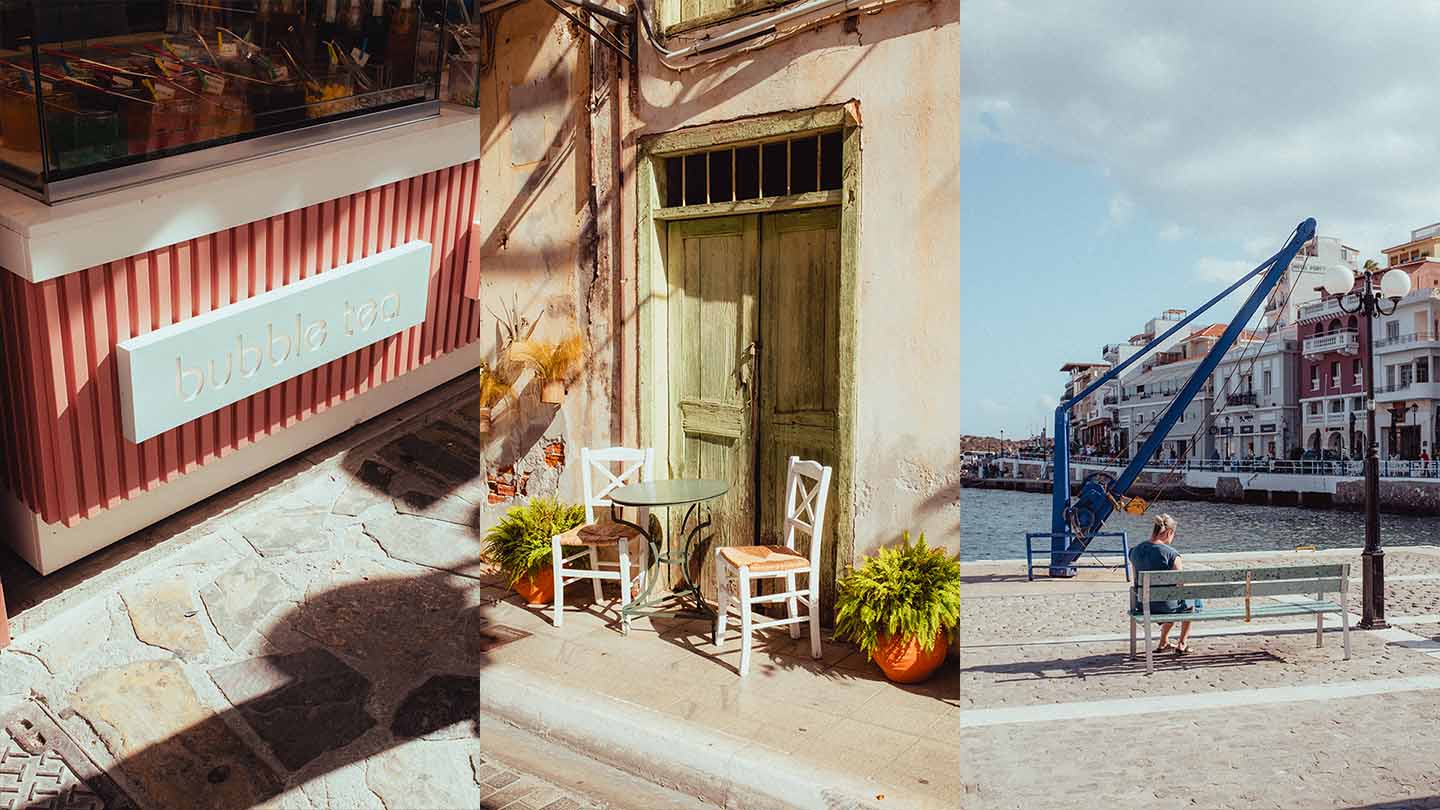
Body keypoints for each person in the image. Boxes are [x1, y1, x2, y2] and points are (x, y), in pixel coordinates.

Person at [1128, 513, 1196, 655]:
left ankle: (1164, 642)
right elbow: (1181, 586)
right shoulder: (1172, 554)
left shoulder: (1134, 551)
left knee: (1170, 598)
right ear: (1169, 532)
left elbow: (1135, 580)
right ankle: (1182, 643)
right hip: (1166, 606)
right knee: (1189, 600)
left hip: (1142, 604)